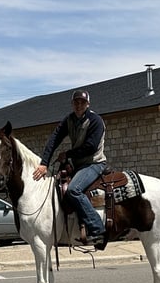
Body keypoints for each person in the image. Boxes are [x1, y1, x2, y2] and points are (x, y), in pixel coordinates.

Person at [33, 89, 107, 244]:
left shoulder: (95, 120)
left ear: (88, 104)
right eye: (76, 102)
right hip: (79, 165)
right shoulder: (70, 120)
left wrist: (68, 154)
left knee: (73, 190)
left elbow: (91, 147)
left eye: (82, 102)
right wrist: (44, 164)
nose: (79, 105)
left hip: (94, 163)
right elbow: (54, 139)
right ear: (72, 104)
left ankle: (97, 228)